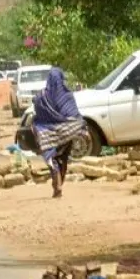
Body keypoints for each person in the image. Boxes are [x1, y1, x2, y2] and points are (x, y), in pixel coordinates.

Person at [33, 67, 85, 198]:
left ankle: (57, 184)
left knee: (52, 158)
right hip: (66, 133)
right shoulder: (68, 95)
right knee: (63, 158)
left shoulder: (42, 97)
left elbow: (38, 111)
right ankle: (59, 182)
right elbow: (74, 115)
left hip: (50, 134)